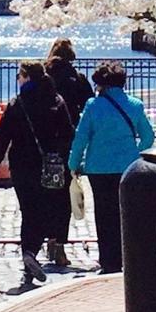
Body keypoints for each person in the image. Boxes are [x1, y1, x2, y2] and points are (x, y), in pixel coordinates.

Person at [0, 60, 74, 288]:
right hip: (50, 167)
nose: (18, 79)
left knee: (29, 211)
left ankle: (29, 254)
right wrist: (61, 157)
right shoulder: (56, 101)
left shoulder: (18, 104)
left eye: (19, 76)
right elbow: (68, 134)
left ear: (26, 77)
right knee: (44, 210)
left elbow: (2, 138)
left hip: (23, 167)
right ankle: (31, 252)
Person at [67, 61, 153, 272]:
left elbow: (81, 138)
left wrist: (74, 163)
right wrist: (135, 153)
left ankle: (108, 260)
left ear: (100, 84)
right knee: (125, 213)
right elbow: (148, 137)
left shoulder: (93, 106)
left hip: (98, 168)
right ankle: (126, 256)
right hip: (127, 167)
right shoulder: (135, 105)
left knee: (104, 214)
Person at [41, 40, 95, 265]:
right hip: (67, 142)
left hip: (43, 143)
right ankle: (60, 246)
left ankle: (48, 239)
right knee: (64, 195)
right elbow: (89, 105)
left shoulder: (43, 78)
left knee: (45, 193)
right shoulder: (78, 79)